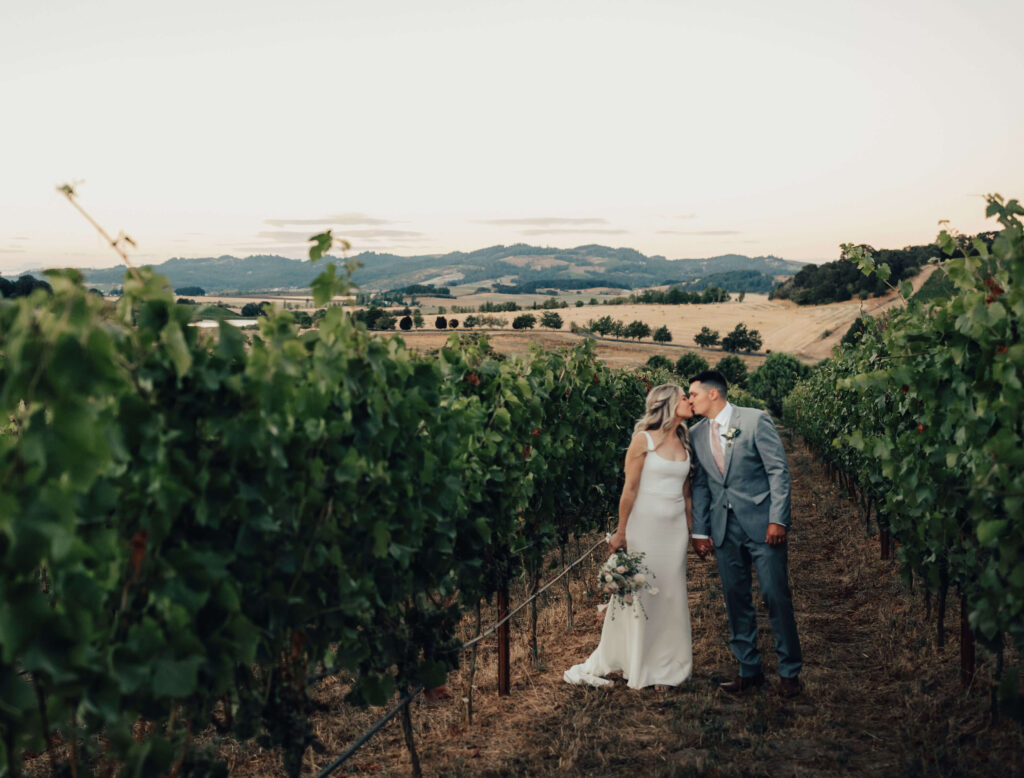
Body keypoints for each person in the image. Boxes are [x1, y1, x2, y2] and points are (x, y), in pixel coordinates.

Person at [564, 384, 694, 689]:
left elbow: (687, 494)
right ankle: (640, 662)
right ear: (669, 404)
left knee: (671, 593)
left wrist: (692, 530)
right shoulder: (643, 439)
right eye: (684, 397)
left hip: (674, 531)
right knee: (643, 593)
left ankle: (670, 664)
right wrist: (621, 531)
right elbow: (630, 490)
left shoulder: (685, 440)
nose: (689, 400)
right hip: (645, 528)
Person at [688, 369, 803, 698]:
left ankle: (789, 672)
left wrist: (778, 519)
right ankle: (748, 669)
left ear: (714, 393)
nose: (689, 399)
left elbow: (778, 471)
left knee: (775, 596)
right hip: (724, 529)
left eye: (693, 393)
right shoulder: (696, 434)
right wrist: (699, 531)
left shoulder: (754, 420)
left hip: (762, 524)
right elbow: (701, 485)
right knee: (735, 599)